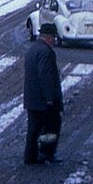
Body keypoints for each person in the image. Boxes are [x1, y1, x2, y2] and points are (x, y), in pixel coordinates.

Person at [23, 22, 63, 165]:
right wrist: (50, 98)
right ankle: (47, 153)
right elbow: (45, 76)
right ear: (48, 37)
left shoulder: (32, 49)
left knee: (33, 129)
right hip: (43, 100)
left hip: (32, 98)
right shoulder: (46, 52)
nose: (54, 41)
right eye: (53, 37)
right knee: (52, 126)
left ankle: (30, 156)